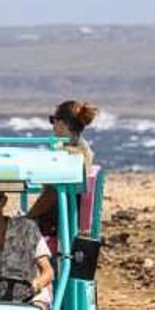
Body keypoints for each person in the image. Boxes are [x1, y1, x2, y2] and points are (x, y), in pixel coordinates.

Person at [27, 99, 100, 234]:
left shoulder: (67, 155)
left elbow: (51, 194)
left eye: (52, 120)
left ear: (61, 123)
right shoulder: (82, 148)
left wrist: (28, 217)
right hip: (70, 215)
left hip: (58, 220)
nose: (52, 125)